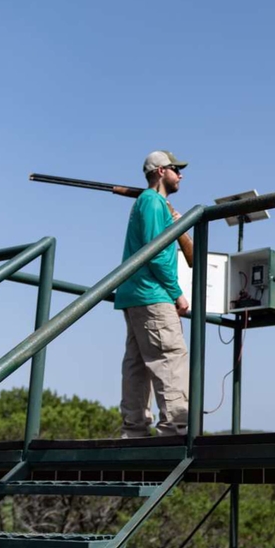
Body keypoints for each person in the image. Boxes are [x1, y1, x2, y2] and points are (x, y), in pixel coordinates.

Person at [114, 150, 191, 437]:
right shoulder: (153, 202)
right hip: (153, 294)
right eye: (175, 169)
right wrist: (177, 293)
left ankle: (134, 430)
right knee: (170, 356)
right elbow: (156, 253)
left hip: (135, 294)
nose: (180, 174)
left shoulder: (149, 203)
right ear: (160, 171)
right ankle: (176, 429)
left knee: (137, 363)